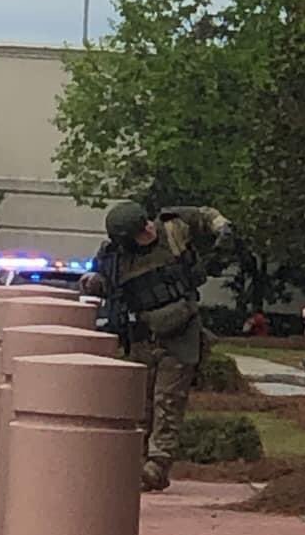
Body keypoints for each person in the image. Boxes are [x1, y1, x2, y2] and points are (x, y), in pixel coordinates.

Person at [82, 201, 235, 492]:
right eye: (141, 231)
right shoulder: (116, 259)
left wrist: (222, 229)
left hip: (180, 330)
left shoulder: (172, 228)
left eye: (147, 224)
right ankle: (134, 462)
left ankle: (157, 464)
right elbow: (101, 282)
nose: (149, 230)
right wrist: (91, 283)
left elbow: (207, 216)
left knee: (169, 401)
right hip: (141, 335)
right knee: (140, 404)